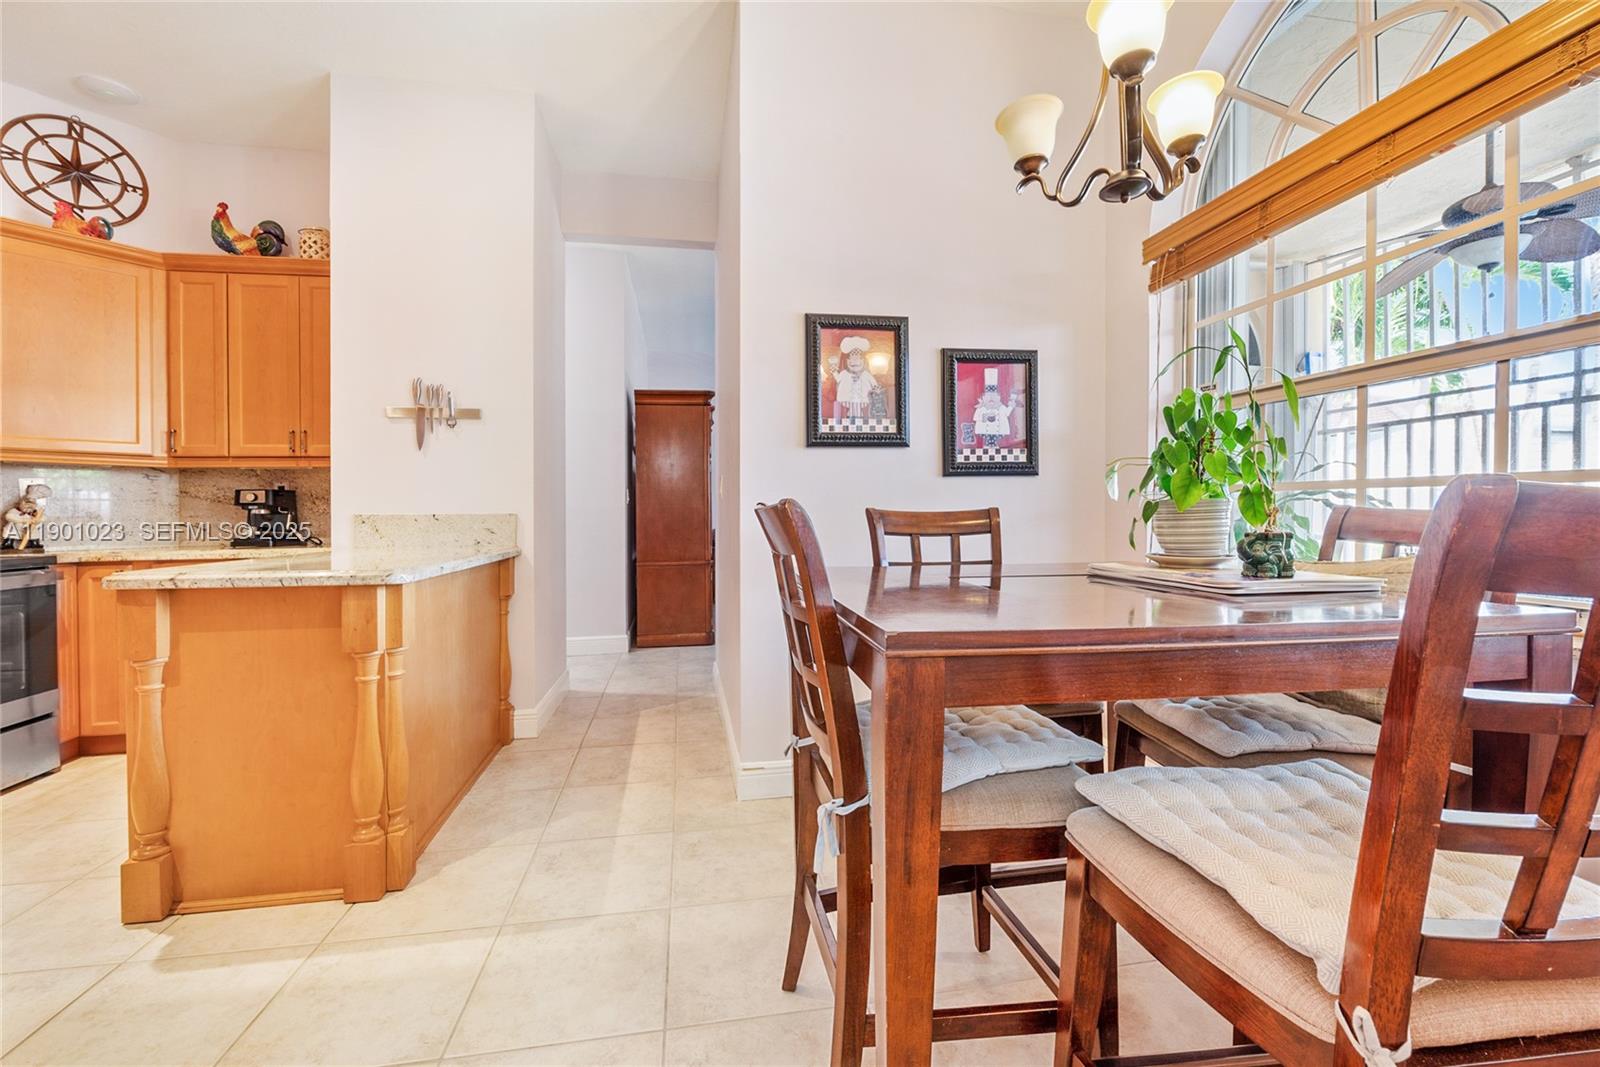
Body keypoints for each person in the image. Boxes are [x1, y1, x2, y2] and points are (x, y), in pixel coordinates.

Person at [832, 337, 882, 425]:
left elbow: (874, 383)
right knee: (851, 409)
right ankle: (850, 420)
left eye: (858, 359)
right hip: (848, 398)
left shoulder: (866, 374)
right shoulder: (844, 373)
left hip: (862, 398)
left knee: (859, 409)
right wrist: (834, 372)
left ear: (863, 361)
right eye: (851, 360)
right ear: (847, 361)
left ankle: (859, 420)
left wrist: (876, 388)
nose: (854, 362)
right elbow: (838, 378)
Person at [971, 368, 1019, 447]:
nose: (991, 399)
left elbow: (1007, 413)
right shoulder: (981, 408)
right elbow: (976, 418)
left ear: (998, 397)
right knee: (987, 439)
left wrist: (1011, 406)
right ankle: (987, 445)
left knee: (995, 439)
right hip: (985, 429)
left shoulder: (1001, 407)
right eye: (988, 396)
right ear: (983, 398)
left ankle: (994, 445)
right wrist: (984, 417)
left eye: (994, 396)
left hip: (998, 429)